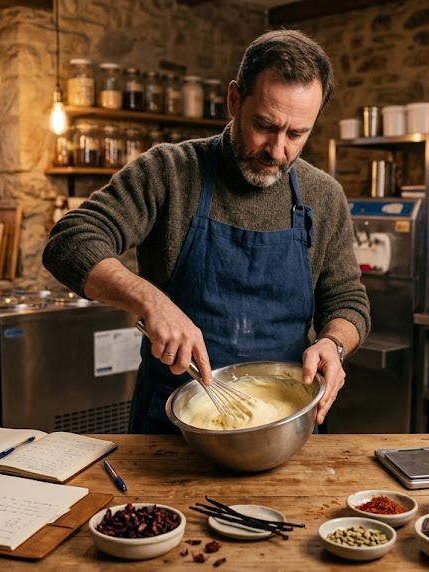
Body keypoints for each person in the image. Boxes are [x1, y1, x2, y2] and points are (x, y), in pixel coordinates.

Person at [43, 29, 370, 434]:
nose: (277, 149)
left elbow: (347, 300)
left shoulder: (324, 195)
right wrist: (151, 302)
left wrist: (333, 344)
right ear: (235, 100)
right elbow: (70, 240)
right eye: (265, 125)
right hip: (172, 423)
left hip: (284, 426)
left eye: (296, 134)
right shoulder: (169, 172)